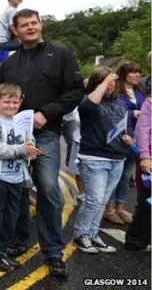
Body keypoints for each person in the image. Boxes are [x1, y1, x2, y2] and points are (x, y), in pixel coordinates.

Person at [0, 8, 84, 277]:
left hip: (46, 133)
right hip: (13, 134)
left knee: (47, 187)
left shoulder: (62, 55)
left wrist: (47, 113)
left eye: (34, 23)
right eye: (24, 25)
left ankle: (53, 251)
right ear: (16, 31)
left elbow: (76, 91)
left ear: (41, 25)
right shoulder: (10, 63)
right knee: (17, 187)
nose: (30, 27)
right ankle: (19, 240)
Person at [0, 83, 39, 270]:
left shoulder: (23, 123)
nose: (11, 106)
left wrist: (32, 152)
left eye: (15, 102)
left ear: (20, 102)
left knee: (10, 219)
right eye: (7, 102)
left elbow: (30, 144)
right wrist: (21, 149)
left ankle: (2, 251)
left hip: (16, 179)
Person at [73, 67, 133, 254]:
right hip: (94, 158)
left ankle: (92, 233)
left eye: (112, 82)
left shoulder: (120, 104)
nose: (108, 86)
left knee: (103, 200)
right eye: (103, 82)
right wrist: (106, 80)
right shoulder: (87, 100)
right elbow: (88, 107)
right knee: (94, 199)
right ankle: (80, 234)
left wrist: (127, 136)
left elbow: (126, 126)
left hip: (117, 158)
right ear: (95, 83)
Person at [103, 61, 145, 224]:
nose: (137, 75)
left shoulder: (139, 91)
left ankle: (120, 208)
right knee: (114, 175)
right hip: (120, 138)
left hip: (137, 138)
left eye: (139, 72)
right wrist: (131, 113)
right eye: (133, 72)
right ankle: (109, 210)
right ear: (124, 74)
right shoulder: (116, 91)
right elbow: (109, 111)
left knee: (126, 176)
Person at [125, 95, 151, 251]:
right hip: (150, 154)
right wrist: (145, 156)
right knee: (149, 199)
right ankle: (136, 240)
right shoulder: (150, 103)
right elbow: (142, 130)